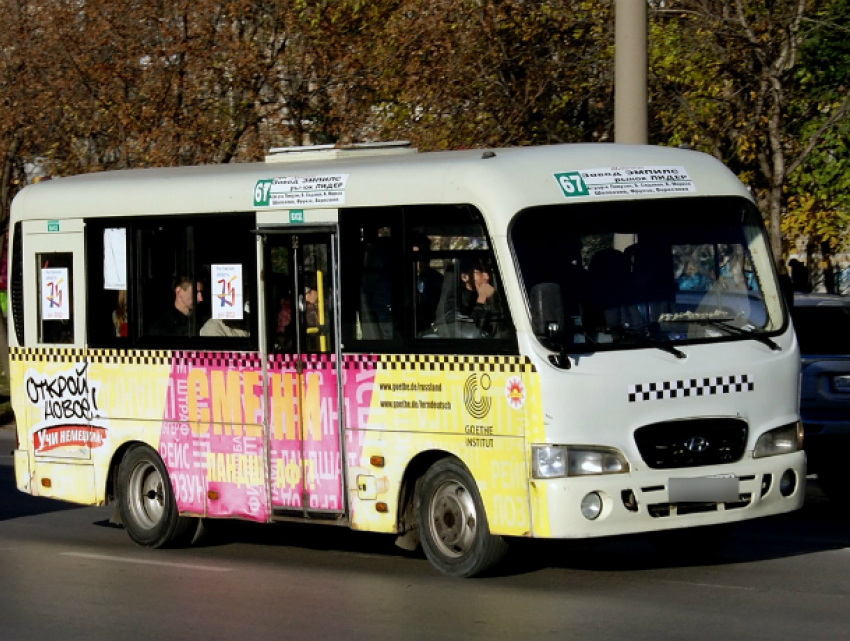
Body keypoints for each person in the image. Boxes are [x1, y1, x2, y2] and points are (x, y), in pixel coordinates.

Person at [411, 233, 443, 333]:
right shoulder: (398, 283)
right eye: (415, 257)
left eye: (423, 256)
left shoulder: (438, 280)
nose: (419, 262)